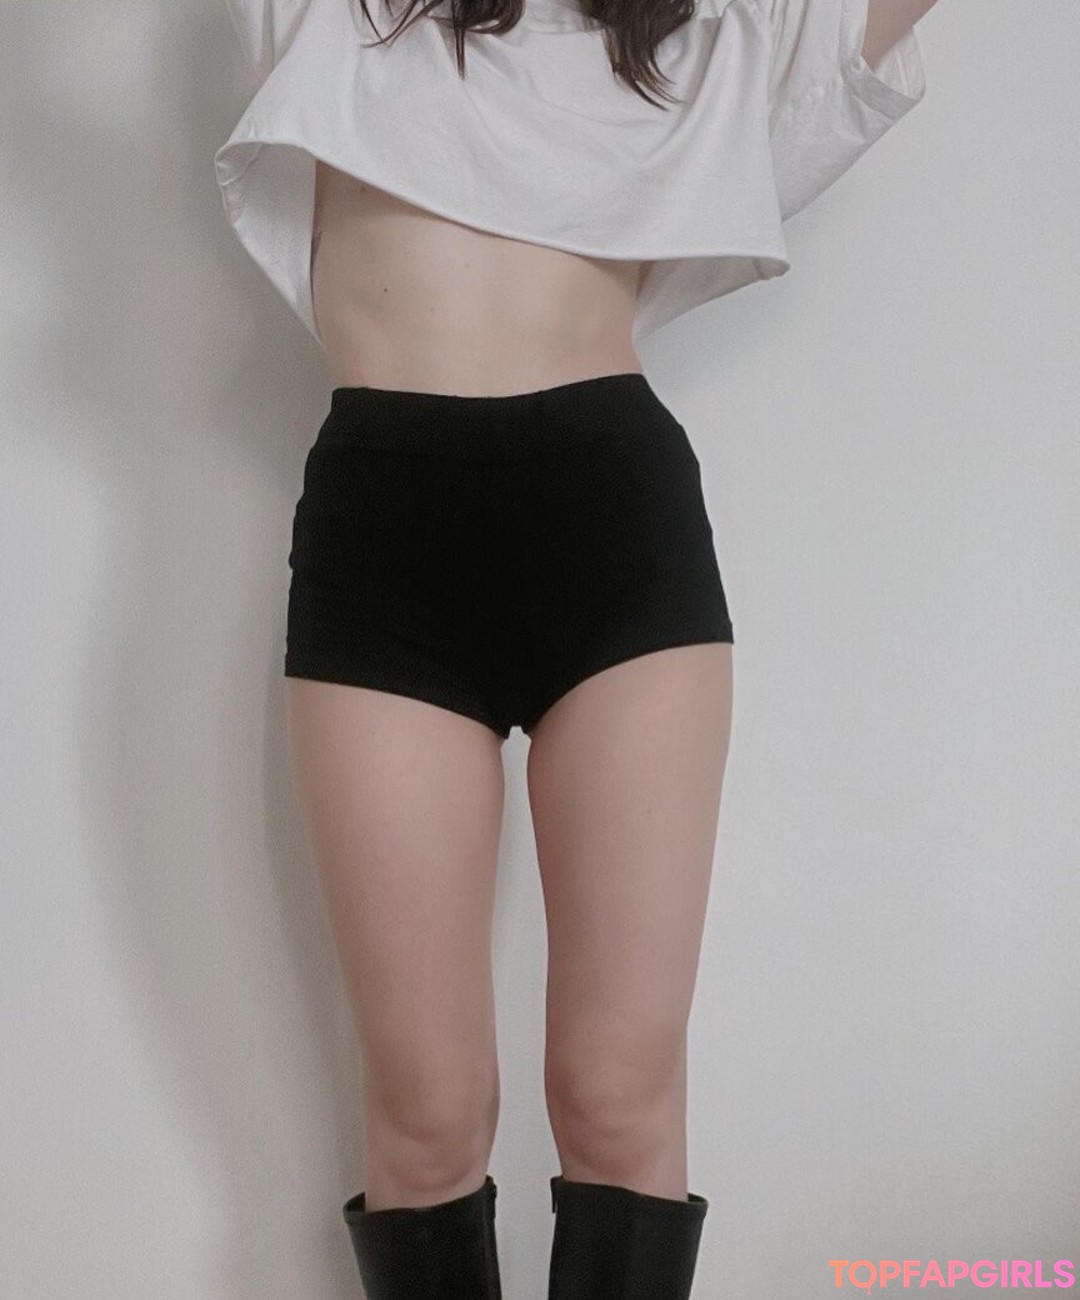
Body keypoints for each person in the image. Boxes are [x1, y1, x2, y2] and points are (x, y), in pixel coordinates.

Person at [214, 0, 935, 1294]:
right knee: (428, 1113)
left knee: (617, 1093)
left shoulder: (708, 33)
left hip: (615, 521)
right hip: (386, 528)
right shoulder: (334, 14)